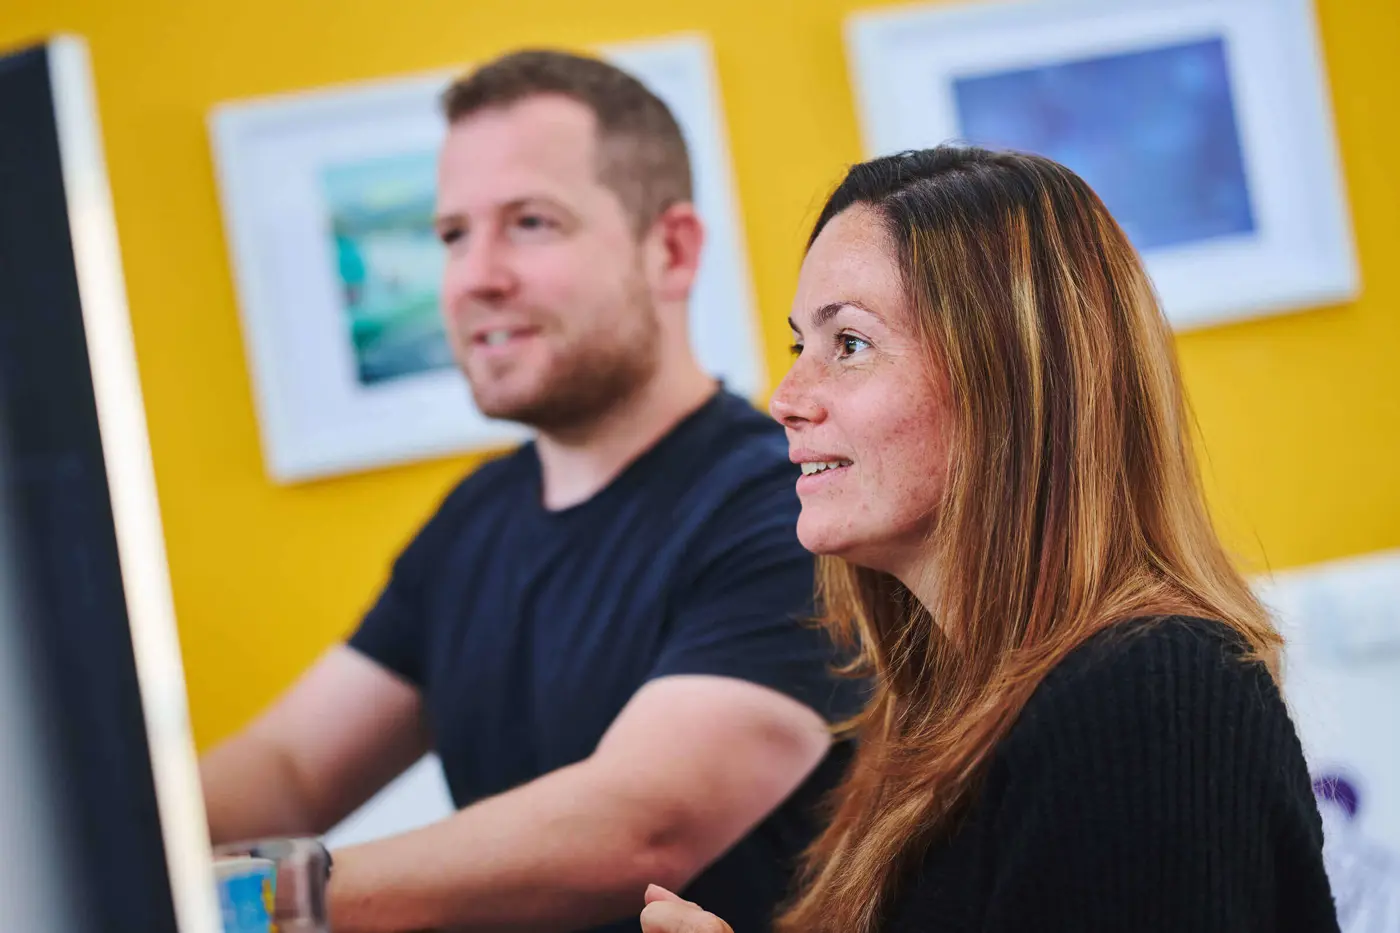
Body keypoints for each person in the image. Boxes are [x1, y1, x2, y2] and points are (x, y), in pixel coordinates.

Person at [199, 50, 864, 933]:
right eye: (451, 235)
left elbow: (634, 829)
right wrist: (106, 845)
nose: (476, 275)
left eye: (531, 223)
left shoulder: (787, 501)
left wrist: (251, 900)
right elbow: (287, 766)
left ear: (670, 249)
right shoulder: (474, 521)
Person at [640, 145, 1340, 933]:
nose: (786, 397)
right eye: (803, 345)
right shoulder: (924, 728)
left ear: (1008, 379)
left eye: (851, 345)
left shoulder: (1149, 689)